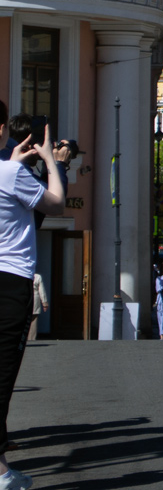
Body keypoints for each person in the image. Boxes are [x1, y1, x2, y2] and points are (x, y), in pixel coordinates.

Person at [0, 112, 65, 490]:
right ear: (1, 129)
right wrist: (52, 161)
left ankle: (3, 471)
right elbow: (55, 204)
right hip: (10, 281)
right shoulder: (11, 174)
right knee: (3, 376)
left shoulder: (9, 170)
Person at [26, 273, 47, 343]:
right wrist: (44, 302)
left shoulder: (23, 275)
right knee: (33, 320)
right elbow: (41, 290)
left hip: (25, 297)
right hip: (35, 298)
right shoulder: (37, 276)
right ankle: (31, 339)